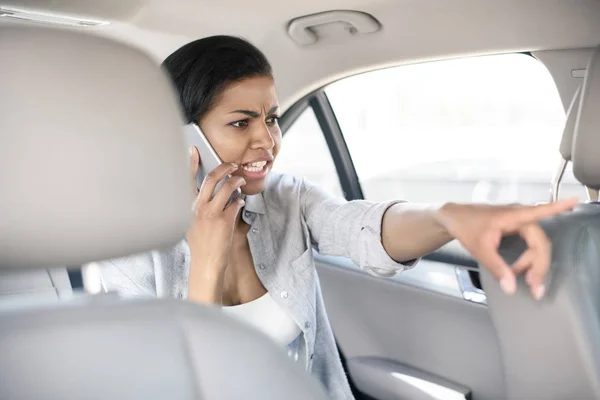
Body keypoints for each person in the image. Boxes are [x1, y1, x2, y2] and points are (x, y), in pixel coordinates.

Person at [99, 35, 577, 399]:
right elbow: (178, 385)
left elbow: (361, 227)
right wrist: (206, 259)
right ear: (182, 138)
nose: (267, 141)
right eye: (241, 122)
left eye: (272, 117)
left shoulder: (287, 199)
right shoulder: (132, 255)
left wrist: (448, 217)